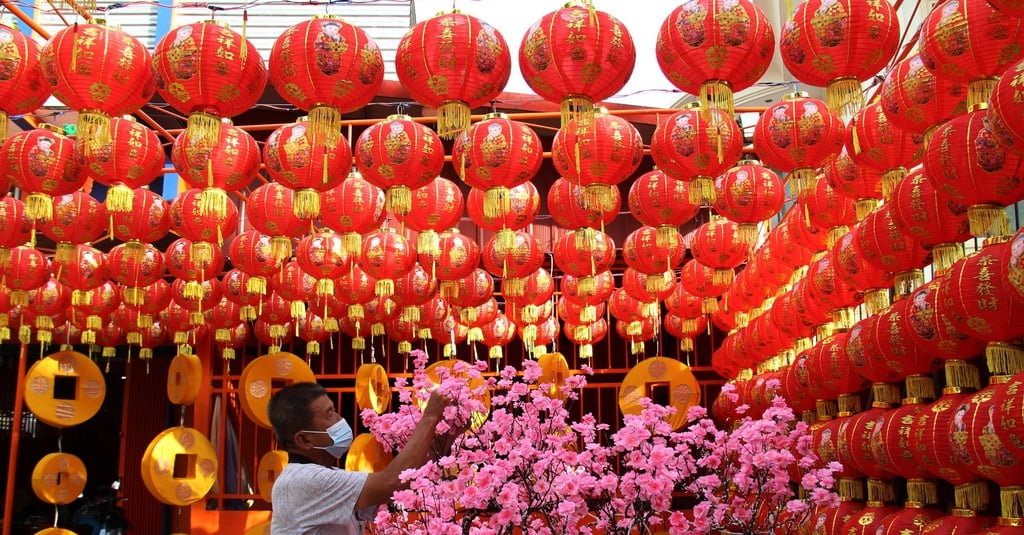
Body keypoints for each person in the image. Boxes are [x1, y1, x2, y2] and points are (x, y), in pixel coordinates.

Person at [268, 382, 456, 534]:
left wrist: (449, 434)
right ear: (305, 439)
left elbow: (402, 483)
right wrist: (430, 417)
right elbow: (392, 482)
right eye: (329, 415)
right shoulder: (303, 480)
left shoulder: (326, 475)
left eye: (335, 410)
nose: (339, 419)